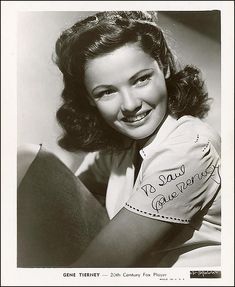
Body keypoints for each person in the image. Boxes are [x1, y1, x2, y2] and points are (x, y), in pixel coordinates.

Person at [18, 11, 221, 267]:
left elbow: (98, 266)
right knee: (26, 161)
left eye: (141, 79)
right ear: (90, 99)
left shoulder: (191, 147)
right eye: (107, 92)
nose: (130, 104)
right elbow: (64, 207)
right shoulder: (119, 147)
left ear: (165, 66)